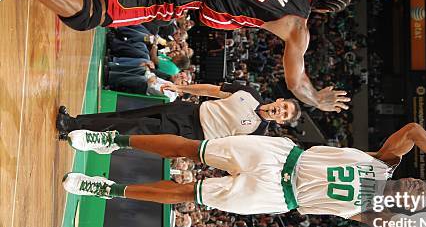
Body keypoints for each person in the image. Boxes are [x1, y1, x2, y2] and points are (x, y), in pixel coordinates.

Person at [0, 0, 387, 112]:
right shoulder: (296, 26)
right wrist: (318, 99)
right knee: (95, 12)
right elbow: (296, 84)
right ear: (320, 11)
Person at [62, 122, 426, 227]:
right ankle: (111, 139)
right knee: (189, 148)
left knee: (188, 193)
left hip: (276, 198)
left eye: (416, 195)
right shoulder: (386, 160)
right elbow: (413, 131)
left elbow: (422, 225)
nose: (415, 185)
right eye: (420, 183)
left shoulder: (374, 213)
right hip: (282, 156)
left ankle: (108, 188)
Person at [56, 81, 301, 140]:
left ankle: (71, 127)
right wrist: (180, 87)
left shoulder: (257, 133)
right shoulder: (251, 93)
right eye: (284, 107)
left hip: (190, 132)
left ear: (280, 122)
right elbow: (214, 91)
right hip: (186, 109)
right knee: (128, 116)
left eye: (284, 115)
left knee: (129, 128)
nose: (280, 111)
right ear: (279, 100)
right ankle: (76, 122)